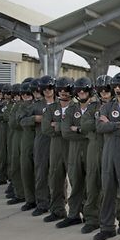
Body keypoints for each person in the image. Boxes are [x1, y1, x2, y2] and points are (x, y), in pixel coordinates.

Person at [93, 72, 120, 240]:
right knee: (107, 191)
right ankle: (107, 227)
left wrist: (110, 124)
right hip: (109, 154)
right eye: (116, 86)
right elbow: (99, 128)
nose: (118, 89)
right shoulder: (106, 107)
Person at [79, 75, 114, 234]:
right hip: (94, 148)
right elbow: (84, 125)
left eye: (107, 91)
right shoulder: (92, 107)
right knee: (92, 183)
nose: (104, 94)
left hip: (112, 147)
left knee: (114, 186)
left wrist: (109, 124)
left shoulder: (116, 106)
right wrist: (101, 123)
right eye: (101, 91)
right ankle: (92, 219)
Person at [57, 77, 94, 229]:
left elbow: (96, 129)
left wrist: (78, 129)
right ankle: (73, 215)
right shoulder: (72, 110)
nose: (82, 93)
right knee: (76, 183)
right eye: (79, 90)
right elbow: (65, 132)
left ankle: (91, 217)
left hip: (91, 150)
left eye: (84, 90)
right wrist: (86, 132)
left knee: (92, 185)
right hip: (74, 150)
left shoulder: (96, 108)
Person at [41, 77, 74, 223]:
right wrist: (67, 127)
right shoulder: (51, 108)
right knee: (55, 178)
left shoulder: (77, 108)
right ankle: (58, 210)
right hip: (55, 146)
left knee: (76, 180)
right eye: (60, 90)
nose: (63, 93)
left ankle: (79, 212)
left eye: (66, 90)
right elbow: (46, 129)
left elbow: (80, 129)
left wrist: (58, 125)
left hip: (73, 146)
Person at [28, 76, 55, 216]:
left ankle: (57, 204)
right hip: (41, 141)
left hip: (58, 141)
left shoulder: (63, 104)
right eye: (44, 89)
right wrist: (35, 118)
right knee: (41, 172)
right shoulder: (37, 105)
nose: (47, 91)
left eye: (50, 88)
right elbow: (22, 120)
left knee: (57, 174)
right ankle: (42, 203)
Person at [17, 80, 39, 211]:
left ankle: (43, 200)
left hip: (42, 140)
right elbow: (20, 121)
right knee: (26, 170)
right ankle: (30, 199)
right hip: (27, 140)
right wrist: (34, 119)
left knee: (42, 173)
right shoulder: (25, 106)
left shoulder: (45, 104)